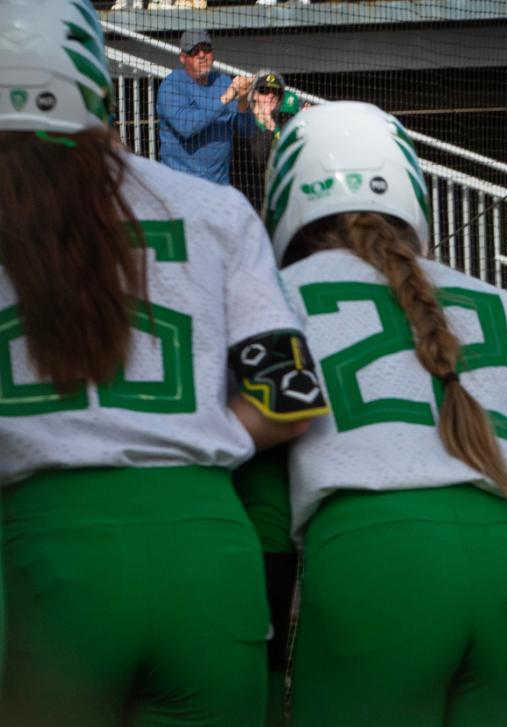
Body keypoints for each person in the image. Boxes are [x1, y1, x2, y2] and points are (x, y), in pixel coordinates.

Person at [0, 1, 326, 724]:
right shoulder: (211, 207)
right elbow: (291, 396)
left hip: (41, 553)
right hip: (208, 547)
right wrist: (191, 443)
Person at [258, 101, 507, 727]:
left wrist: (264, 663)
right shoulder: (500, 302)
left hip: (371, 560)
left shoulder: (276, 295)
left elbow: (263, 480)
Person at [156, 29, 256, 185]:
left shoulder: (223, 81)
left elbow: (247, 130)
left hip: (218, 186)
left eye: (206, 49)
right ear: (183, 58)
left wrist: (243, 101)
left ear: (213, 54)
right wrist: (225, 98)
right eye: (195, 51)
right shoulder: (171, 85)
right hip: (179, 185)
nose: (202, 55)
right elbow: (187, 126)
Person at [232, 70, 301, 210]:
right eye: (264, 90)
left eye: (275, 92)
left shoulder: (281, 127)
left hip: (273, 202)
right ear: (255, 95)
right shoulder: (244, 123)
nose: (270, 96)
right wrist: (269, 127)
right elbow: (256, 160)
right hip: (245, 201)